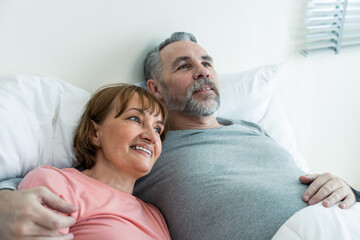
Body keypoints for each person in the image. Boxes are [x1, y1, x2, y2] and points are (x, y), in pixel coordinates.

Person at [132, 32, 360, 239]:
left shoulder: (251, 128)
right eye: (184, 66)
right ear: (155, 89)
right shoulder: (150, 150)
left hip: (343, 220)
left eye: (206, 63)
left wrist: (345, 190)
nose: (203, 72)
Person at [18, 84, 171, 239]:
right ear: (95, 133)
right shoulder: (58, 183)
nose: (152, 137)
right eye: (135, 119)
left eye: (158, 129)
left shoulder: (155, 216)